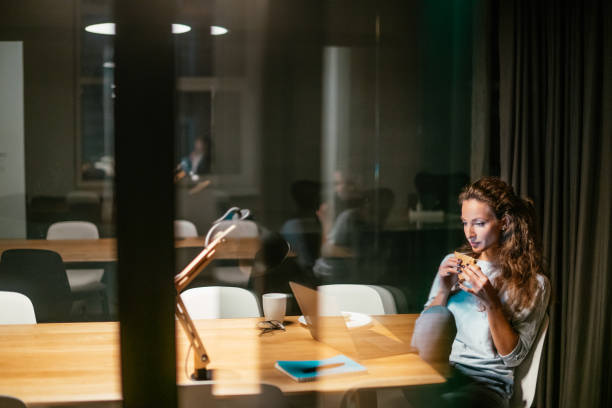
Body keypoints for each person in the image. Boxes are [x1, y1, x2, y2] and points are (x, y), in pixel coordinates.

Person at [407, 177, 550, 408]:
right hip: (446, 373)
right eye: (465, 223)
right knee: (437, 319)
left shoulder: (532, 282)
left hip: (487, 385)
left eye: (479, 223)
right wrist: (443, 290)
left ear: (503, 223)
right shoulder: (453, 264)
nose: (469, 233)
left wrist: (492, 303)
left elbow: (514, 358)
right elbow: (425, 334)